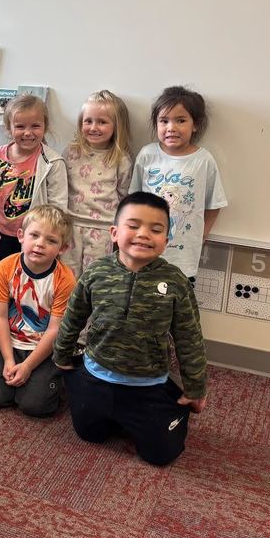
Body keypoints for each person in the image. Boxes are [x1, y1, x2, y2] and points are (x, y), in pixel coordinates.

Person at [53, 192, 208, 466]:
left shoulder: (175, 282)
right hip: (97, 376)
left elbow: (189, 338)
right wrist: (62, 355)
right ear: (114, 232)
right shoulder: (96, 272)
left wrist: (196, 387)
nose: (144, 234)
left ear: (166, 240)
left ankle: (167, 409)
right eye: (133, 226)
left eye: (156, 229)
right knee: (89, 435)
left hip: (147, 386)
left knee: (161, 456)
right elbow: (73, 318)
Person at [0, 205, 74, 417]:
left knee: (35, 406)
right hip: (9, 340)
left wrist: (28, 366)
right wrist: (9, 359)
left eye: (51, 240)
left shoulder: (65, 280)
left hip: (43, 346)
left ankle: (46, 377)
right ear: (21, 236)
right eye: (35, 235)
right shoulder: (4, 268)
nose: (40, 244)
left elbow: (54, 330)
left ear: (63, 248)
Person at [130, 86, 227, 280]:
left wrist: (202, 235)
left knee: (178, 306)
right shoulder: (147, 155)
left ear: (195, 124)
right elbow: (133, 200)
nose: (171, 128)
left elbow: (214, 204)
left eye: (180, 120)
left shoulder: (203, 160)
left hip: (183, 259)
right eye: (164, 121)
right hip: (145, 253)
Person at [0, 93, 68, 261]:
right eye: (20, 126)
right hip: (4, 237)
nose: (28, 133)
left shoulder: (53, 163)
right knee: (9, 281)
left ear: (45, 126)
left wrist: (49, 237)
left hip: (39, 239)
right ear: (8, 128)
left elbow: (58, 207)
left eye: (35, 126)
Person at [62, 90, 133, 277]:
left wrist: (121, 229)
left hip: (102, 229)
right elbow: (61, 187)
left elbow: (124, 196)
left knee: (96, 277)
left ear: (116, 126)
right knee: (66, 276)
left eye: (102, 122)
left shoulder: (121, 158)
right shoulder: (71, 152)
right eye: (88, 121)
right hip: (70, 225)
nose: (94, 127)